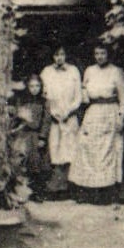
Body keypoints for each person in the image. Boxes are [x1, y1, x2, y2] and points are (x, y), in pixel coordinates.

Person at [69, 43, 124, 204]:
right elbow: (84, 91)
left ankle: (106, 195)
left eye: (102, 53)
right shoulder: (89, 70)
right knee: (87, 149)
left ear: (108, 54)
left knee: (107, 152)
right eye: (97, 53)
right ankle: (88, 193)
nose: (100, 56)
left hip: (110, 113)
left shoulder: (116, 72)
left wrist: (121, 117)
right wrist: (84, 93)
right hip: (93, 112)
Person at [39, 45, 82, 197]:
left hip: (69, 118)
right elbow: (44, 95)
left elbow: (78, 97)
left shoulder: (73, 71)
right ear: (52, 56)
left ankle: (71, 188)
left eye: (62, 54)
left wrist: (68, 112)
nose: (59, 58)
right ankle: (56, 188)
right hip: (54, 118)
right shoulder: (46, 72)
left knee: (70, 149)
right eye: (56, 55)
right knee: (55, 150)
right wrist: (53, 113)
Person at [11, 73, 49, 198]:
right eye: (32, 86)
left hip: (35, 136)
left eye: (37, 86)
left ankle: (37, 192)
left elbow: (46, 121)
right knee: (21, 162)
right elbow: (17, 117)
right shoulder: (22, 101)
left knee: (36, 164)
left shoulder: (44, 102)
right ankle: (21, 191)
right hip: (23, 135)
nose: (35, 89)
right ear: (27, 87)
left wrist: (42, 137)